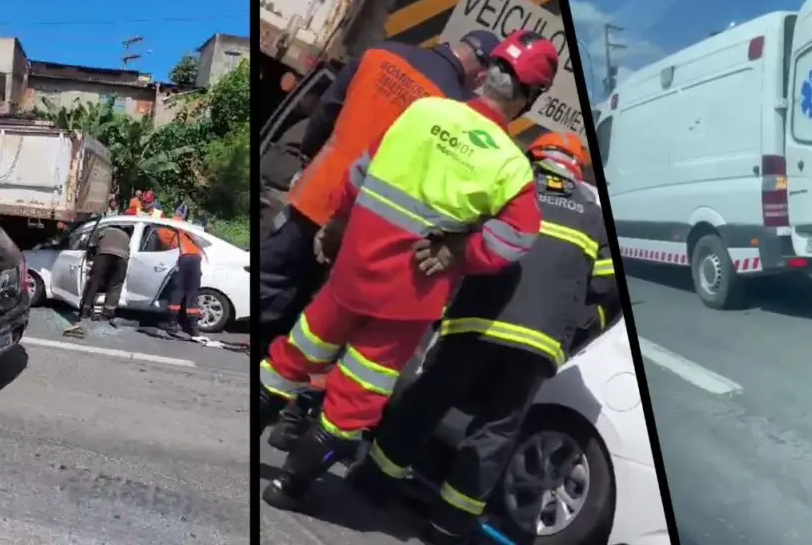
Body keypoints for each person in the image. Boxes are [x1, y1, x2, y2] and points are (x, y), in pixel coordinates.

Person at [258, 30, 560, 513]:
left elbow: (361, 171)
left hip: (351, 272)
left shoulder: (424, 112)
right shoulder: (510, 166)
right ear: (530, 96)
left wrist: (336, 224)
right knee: (354, 400)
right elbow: (517, 238)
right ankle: (289, 488)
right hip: (409, 301)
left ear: (490, 72)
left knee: (292, 357)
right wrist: (463, 252)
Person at [345, 132, 618, 544]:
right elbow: (606, 285)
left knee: (427, 400)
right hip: (538, 345)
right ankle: (448, 524)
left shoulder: (512, 188)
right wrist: (574, 323)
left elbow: (458, 239)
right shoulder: (594, 216)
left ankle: (377, 480)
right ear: (575, 168)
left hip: (478, 321)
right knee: (496, 431)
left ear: (535, 157)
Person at [260, 30, 504, 447]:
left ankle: (264, 385)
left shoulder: (378, 53)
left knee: (274, 287)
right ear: (479, 70)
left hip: (319, 197)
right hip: (373, 228)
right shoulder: (452, 111)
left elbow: (326, 113)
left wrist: (313, 159)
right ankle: (293, 423)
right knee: (333, 325)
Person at [63, 224, 131, 336]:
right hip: (121, 260)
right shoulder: (126, 236)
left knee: (94, 282)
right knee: (115, 285)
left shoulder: (102, 230)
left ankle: (85, 311)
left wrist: (94, 259)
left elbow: (91, 246)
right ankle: (106, 314)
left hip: (103, 255)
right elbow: (127, 253)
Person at [157, 219, 205, 337]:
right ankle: (194, 329)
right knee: (192, 294)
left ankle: (172, 325)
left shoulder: (172, 228)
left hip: (184, 259)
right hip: (196, 260)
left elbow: (162, 237)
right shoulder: (191, 231)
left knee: (177, 293)